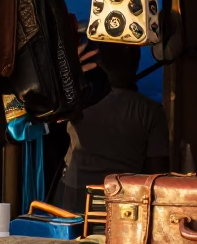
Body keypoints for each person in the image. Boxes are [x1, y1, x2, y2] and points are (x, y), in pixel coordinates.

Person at [55, 43, 168, 213]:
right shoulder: (150, 110)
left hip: (74, 199)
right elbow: (158, 176)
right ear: (136, 61)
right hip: (123, 203)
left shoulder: (77, 100)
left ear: (99, 61)